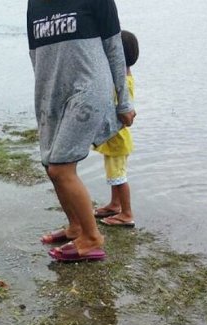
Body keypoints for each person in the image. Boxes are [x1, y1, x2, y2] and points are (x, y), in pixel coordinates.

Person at [27, 0, 135, 261]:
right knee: (49, 164)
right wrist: (44, 99)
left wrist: (124, 100)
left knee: (61, 168)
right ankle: (75, 226)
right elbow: (36, 55)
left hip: (88, 88)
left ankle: (92, 237)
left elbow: (114, 48)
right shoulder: (34, 4)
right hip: (51, 93)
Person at [94, 30, 139, 228]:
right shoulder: (122, 78)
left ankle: (127, 213)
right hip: (114, 137)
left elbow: (120, 107)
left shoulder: (122, 82)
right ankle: (115, 204)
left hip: (118, 137)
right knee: (113, 173)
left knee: (118, 176)